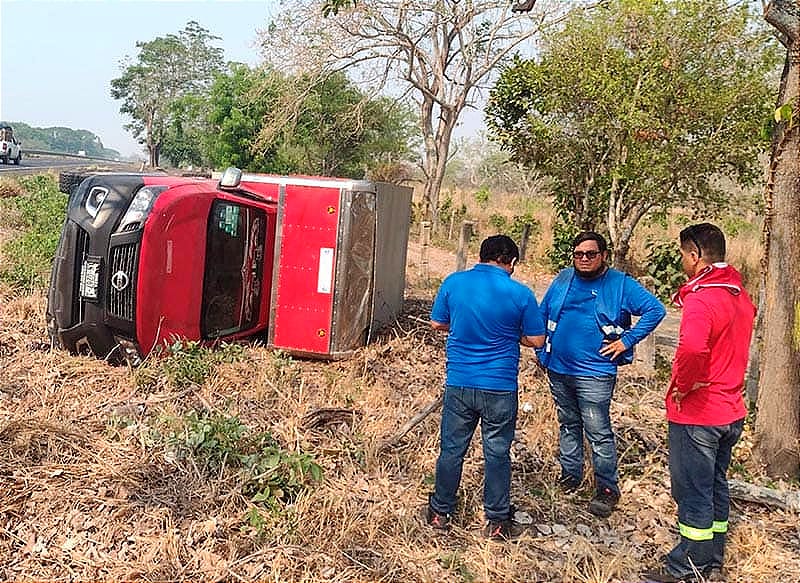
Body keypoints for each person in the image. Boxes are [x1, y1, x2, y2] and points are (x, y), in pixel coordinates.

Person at [642, 224, 756, 583]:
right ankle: (713, 557)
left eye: (682, 255)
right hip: (731, 409)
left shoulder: (702, 298)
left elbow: (692, 348)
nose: (681, 263)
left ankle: (686, 566)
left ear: (693, 255)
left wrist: (683, 385)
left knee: (693, 489)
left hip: (700, 412)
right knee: (716, 485)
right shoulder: (739, 294)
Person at [537, 231, 665, 517]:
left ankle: (606, 488)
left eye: (590, 254)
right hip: (559, 368)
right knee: (568, 423)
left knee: (598, 431)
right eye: (578, 254)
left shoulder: (620, 284)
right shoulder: (563, 279)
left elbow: (655, 310)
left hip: (595, 372)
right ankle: (571, 475)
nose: (583, 259)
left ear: (603, 255)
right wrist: (540, 352)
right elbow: (542, 312)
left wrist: (627, 341)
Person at [427, 234, 545, 541]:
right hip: (500, 386)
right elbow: (537, 340)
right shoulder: (520, 294)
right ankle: (495, 520)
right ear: (512, 262)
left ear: (481, 256)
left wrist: (465, 326)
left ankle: (440, 512)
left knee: (452, 450)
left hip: (460, 383)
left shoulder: (453, 283)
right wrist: (511, 336)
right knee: (497, 453)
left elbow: (438, 323)